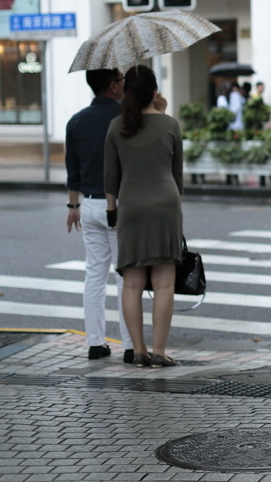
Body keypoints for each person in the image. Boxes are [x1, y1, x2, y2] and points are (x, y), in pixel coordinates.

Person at [104, 65, 184, 368]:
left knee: (132, 284)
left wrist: (113, 210)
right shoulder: (170, 124)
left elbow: (110, 177)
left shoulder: (116, 126)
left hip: (132, 207)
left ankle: (138, 350)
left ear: (126, 92)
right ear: (154, 92)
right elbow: (178, 176)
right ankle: (160, 351)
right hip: (166, 205)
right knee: (164, 284)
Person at [65, 69, 134, 362]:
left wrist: (72, 206)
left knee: (94, 273)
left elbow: (73, 169)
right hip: (119, 204)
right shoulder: (125, 120)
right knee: (125, 275)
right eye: (121, 80)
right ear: (114, 85)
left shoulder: (76, 121)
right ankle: (131, 345)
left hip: (89, 205)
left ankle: (96, 343)